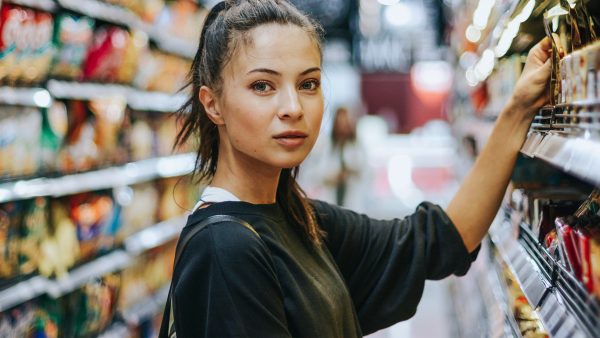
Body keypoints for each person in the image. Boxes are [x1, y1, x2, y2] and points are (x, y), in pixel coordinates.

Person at [162, 0, 551, 337]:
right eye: (263, 86)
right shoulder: (225, 248)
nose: (293, 107)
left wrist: (518, 109)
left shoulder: (298, 218)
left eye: (308, 84)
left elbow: (440, 239)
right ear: (213, 104)